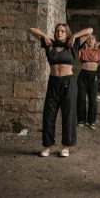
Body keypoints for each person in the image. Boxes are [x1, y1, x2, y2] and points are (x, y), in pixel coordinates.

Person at [29, 24, 93, 157]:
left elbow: (90, 30)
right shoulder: (49, 44)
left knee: (68, 115)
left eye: (63, 31)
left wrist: (74, 36)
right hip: (53, 82)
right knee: (49, 114)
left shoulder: (73, 44)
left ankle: (66, 147)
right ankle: (47, 146)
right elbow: (31, 30)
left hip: (68, 83)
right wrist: (45, 36)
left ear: (67, 33)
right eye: (57, 31)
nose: (60, 33)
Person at [77, 35, 100, 129]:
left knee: (93, 99)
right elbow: (80, 60)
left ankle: (91, 121)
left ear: (95, 41)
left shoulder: (99, 51)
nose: (90, 39)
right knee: (81, 99)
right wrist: (84, 47)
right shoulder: (82, 50)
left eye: (92, 38)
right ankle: (81, 120)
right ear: (86, 41)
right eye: (88, 38)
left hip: (93, 75)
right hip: (83, 75)